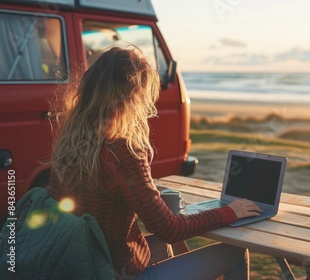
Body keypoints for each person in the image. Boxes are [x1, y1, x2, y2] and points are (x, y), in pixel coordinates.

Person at [49, 45, 263, 279]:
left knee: (163, 242)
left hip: (84, 262)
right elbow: (170, 229)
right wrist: (230, 212)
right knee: (234, 253)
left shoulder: (71, 141)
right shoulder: (122, 150)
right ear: (132, 96)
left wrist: (148, 195)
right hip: (116, 271)